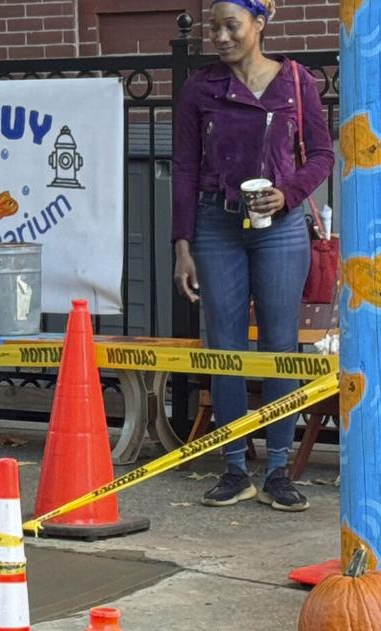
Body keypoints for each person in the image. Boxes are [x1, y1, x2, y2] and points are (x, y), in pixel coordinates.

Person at [171, 0, 333, 511]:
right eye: (211, 28)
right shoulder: (200, 87)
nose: (218, 36)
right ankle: (235, 467)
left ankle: (280, 469)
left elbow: (324, 153)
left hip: (280, 227)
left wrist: (288, 192)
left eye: (230, 26)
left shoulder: (297, 82)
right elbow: (183, 168)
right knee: (225, 344)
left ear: (259, 24)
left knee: (281, 343)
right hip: (217, 223)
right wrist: (183, 245)